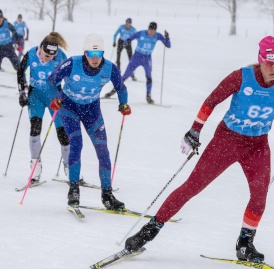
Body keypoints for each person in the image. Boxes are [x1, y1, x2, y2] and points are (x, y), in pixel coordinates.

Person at [123, 36, 274, 261]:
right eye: (270, 62)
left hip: (257, 146)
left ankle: (245, 244)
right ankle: (147, 233)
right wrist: (194, 131)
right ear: (261, 59)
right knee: (192, 186)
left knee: (260, 195)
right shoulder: (242, 77)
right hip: (226, 142)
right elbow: (212, 101)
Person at [48, 34, 131, 210]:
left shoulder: (109, 68)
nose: (95, 58)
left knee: (103, 150)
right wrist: (57, 97)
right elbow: (53, 79)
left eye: (99, 53)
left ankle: (107, 195)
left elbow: (121, 87)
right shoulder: (72, 63)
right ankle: (74, 190)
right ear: (84, 53)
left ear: (103, 53)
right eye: (91, 54)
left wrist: (123, 103)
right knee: (76, 144)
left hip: (91, 111)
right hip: (69, 108)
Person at [17, 32, 71, 182]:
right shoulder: (31, 54)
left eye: (51, 56)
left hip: (55, 98)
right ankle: (35, 168)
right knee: (35, 129)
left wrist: (67, 96)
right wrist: (22, 92)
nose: (47, 58)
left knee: (63, 134)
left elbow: (69, 77)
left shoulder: (61, 56)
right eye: (45, 55)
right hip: (36, 97)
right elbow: (21, 71)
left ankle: (69, 167)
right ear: (40, 48)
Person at [104, 21, 170, 104]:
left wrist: (167, 38)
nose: (151, 32)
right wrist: (126, 42)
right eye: (150, 30)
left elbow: (168, 45)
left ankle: (148, 96)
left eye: (153, 31)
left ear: (155, 31)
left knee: (149, 77)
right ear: (148, 28)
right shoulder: (141, 33)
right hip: (136, 57)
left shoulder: (158, 36)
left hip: (147, 59)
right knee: (125, 76)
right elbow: (130, 38)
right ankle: (113, 91)